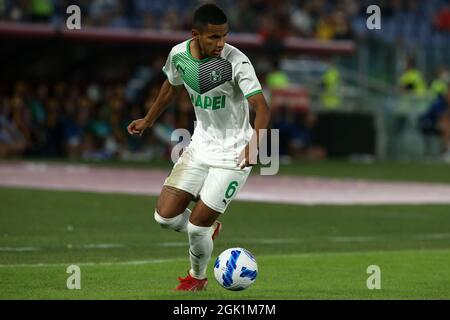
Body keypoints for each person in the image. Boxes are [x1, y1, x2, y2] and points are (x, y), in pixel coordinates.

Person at [127, 3, 271, 291]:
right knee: (164, 218)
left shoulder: (236, 62)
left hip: (234, 154)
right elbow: (170, 87)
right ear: (196, 34)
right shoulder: (179, 55)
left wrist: (255, 145)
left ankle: (197, 277)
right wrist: (149, 119)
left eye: (224, 36)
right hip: (200, 145)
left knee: (195, 228)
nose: (221, 43)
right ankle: (210, 229)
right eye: (213, 37)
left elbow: (261, 107)